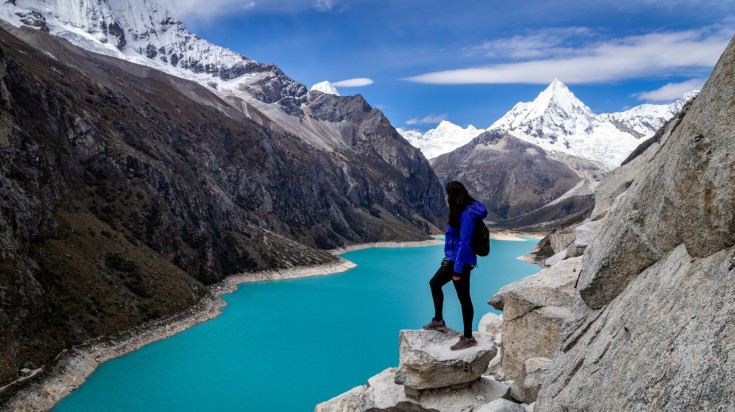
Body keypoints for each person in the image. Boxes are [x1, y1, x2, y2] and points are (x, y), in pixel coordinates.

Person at [422, 181, 488, 351]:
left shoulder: (465, 215)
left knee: (464, 298)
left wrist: (457, 269)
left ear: (453, 195)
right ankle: (438, 321)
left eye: (447, 193)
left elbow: (465, 243)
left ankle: (468, 338)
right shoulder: (461, 211)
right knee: (434, 283)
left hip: (461, 262)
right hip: (453, 259)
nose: (445, 196)